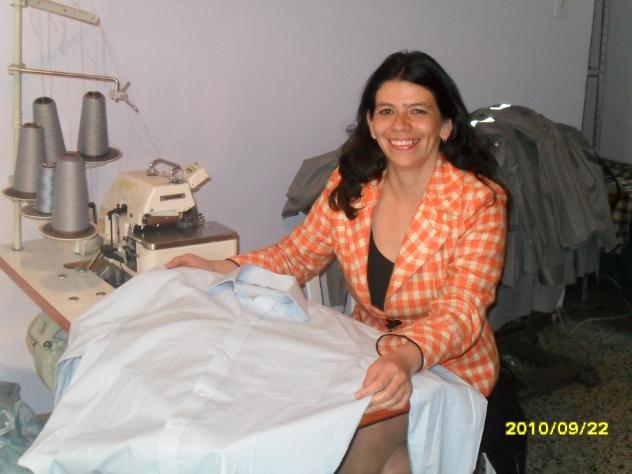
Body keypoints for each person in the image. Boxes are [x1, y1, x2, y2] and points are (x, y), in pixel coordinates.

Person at [167, 50, 507, 473]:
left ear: (445, 125)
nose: (400, 125)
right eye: (387, 111)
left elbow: (461, 312)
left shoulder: (478, 202)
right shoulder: (353, 184)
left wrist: (405, 356)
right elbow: (297, 255)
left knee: (356, 442)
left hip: (446, 365)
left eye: (418, 111)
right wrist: (225, 267)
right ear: (371, 123)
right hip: (367, 350)